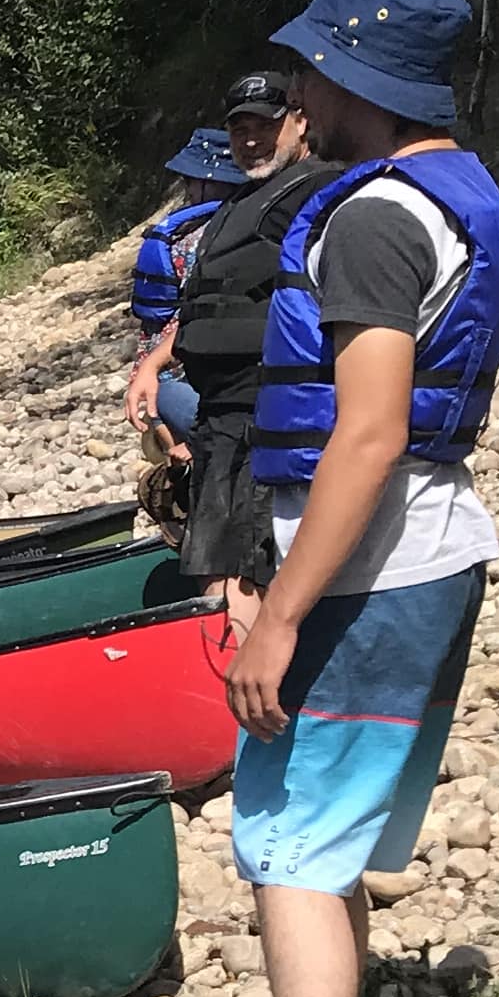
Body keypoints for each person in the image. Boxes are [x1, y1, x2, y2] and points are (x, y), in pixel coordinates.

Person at [203, 0, 499, 997]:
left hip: (367, 565)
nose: (296, 91)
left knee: (283, 842)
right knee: (325, 836)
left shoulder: (378, 215)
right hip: (428, 550)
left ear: (349, 76)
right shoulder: (468, 192)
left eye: (311, 68)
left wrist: (279, 612)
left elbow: (368, 430)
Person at [160, 80, 330, 606]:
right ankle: (227, 673)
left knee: (251, 576)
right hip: (219, 416)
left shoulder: (318, 191)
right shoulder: (241, 202)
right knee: (213, 575)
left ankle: (263, 676)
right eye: (240, 128)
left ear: (300, 122)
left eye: (265, 126)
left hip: (270, 415)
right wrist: (154, 365)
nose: (251, 139)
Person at [124, 72, 294, 442]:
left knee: (168, 392)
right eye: (241, 130)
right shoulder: (235, 220)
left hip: (234, 395)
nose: (187, 189)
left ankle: (176, 449)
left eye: (190, 181)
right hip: (233, 385)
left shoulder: (193, 237)